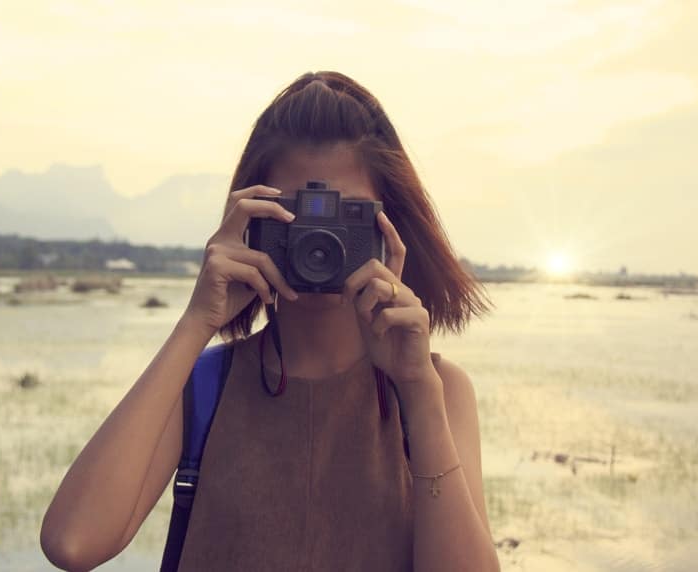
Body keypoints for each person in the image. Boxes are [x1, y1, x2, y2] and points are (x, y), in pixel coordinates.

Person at [40, 71, 499, 571]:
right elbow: (72, 543)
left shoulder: (437, 391)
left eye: (344, 217)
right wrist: (198, 322)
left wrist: (418, 391)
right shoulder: (205, 386)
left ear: (388, 228)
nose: (319, 241)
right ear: (250, 219)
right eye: (294, 216)